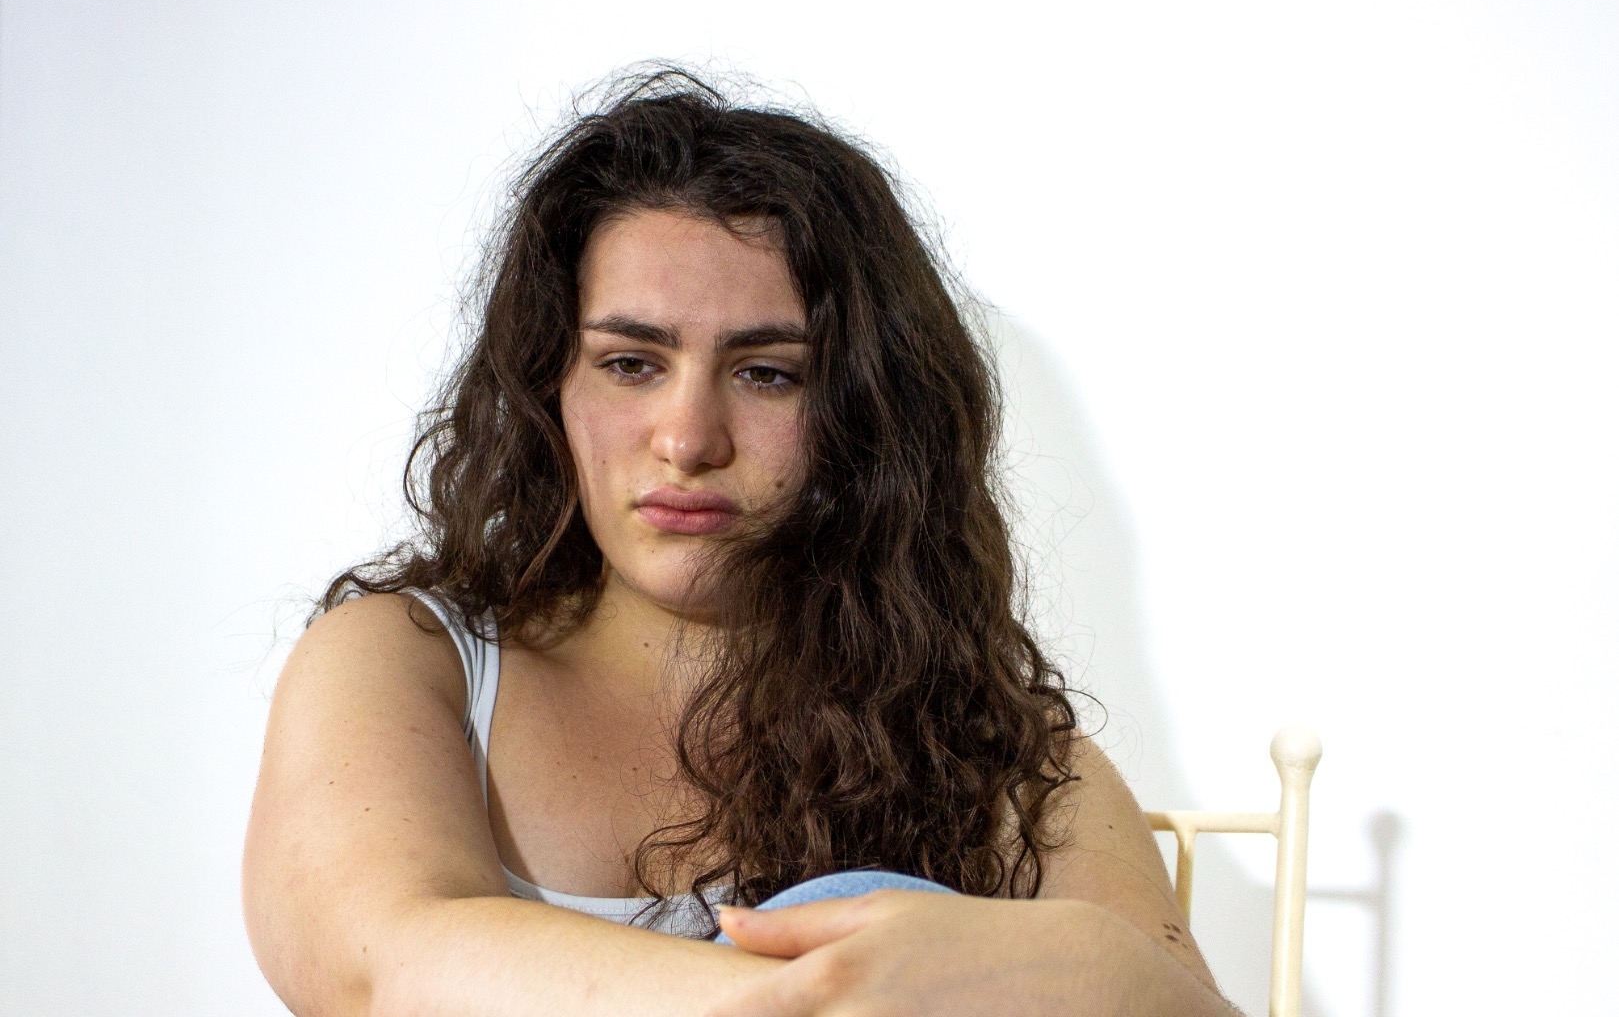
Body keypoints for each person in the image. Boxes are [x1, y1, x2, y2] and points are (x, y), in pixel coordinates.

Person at [242, 69, 1240, 1016]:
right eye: (630, 363)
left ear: (863, 415)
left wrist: (1097, 962)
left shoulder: (990, 747)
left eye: (766, 374)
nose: (687, 441)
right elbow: (378, 970)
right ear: (550, 387)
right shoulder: (409, 661)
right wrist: (838, 995)